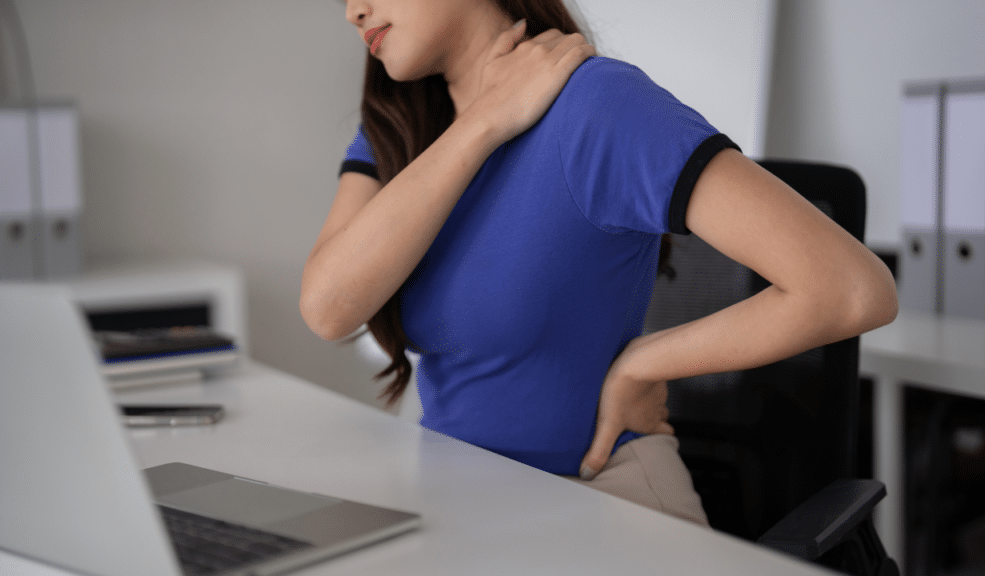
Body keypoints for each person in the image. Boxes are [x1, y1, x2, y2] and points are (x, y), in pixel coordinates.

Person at [300, 0, 898, 526]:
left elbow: (850, 289)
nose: (352, 11)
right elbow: (329, 309)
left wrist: (644, 362)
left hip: (600, 499)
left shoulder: (597, 106)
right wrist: (485, 121)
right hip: (464, 504)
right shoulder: (397, 129)